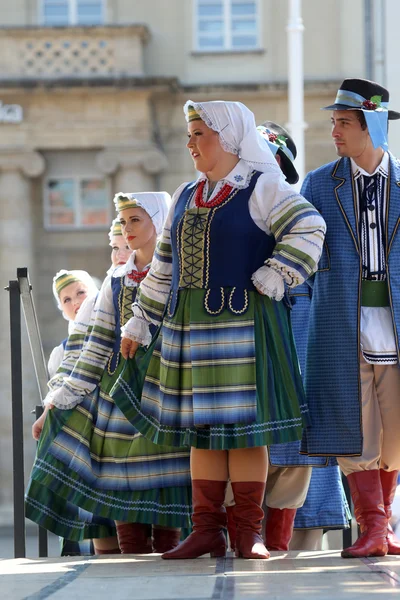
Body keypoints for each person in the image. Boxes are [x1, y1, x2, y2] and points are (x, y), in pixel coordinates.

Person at [115, 100, 326, 560]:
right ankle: (206, 529)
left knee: (247, 433)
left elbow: (310, 227)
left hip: (247, 325)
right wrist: (140, 319)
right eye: (189, 134)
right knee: (202, 431)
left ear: (228, 139)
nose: (190, 143)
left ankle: (248, 531)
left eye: (199, 134)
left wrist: (279, 272)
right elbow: (164, 269)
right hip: (191, 326)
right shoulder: (186, 195)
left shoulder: (263, 186)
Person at [25, 192, 192, 555]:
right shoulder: (117, 280)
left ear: (159, 221)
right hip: (119, 399)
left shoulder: (182, 272)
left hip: (169, 395)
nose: (128, 229)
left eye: (136, 220)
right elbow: (96, 346)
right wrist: (58, 401)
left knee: (171, 497)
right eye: (124, 221)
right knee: (120, 491)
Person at [300, 78, 400, 558]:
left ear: (373, 125)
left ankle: (381, 528)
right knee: (351, 421)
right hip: (341, 318)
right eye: (333, 122)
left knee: (396, 425)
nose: (334, 131)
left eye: (344, 123)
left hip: (396, 320)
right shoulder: (319, 183)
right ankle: (373, 528)